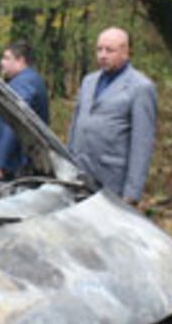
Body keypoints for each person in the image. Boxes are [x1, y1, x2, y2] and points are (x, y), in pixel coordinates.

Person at [67, 26, 157, 206]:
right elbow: (76, 124)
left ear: (125, 52)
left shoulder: (140, 87)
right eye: (99, 49)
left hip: (111, 179)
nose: (102, 55)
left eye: (109, 50)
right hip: (79, 174)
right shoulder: (89, 80)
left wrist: (132, 193)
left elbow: (142, 143)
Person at [0, 41, 49, 180]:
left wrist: (3, 162)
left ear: (20, 61)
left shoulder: (25, 83)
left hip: (11, 167)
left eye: (6, 58)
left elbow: (15, 121)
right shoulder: (24, 80)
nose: (1, 62)